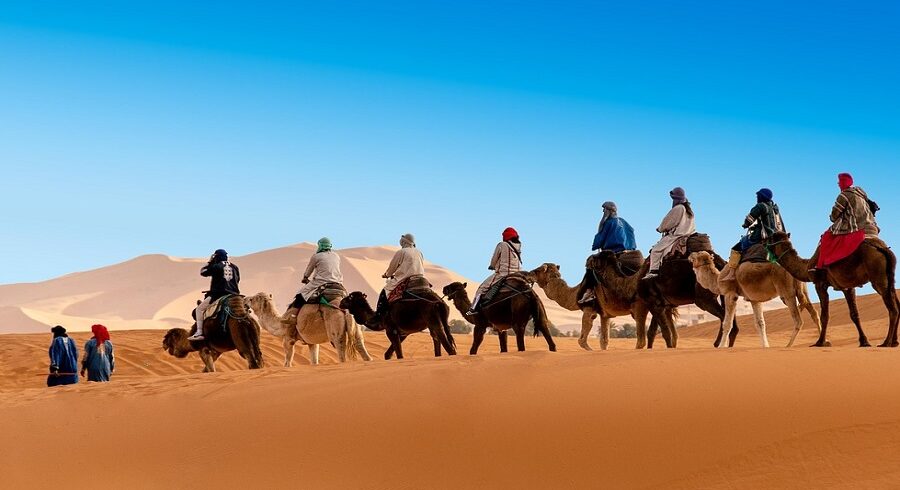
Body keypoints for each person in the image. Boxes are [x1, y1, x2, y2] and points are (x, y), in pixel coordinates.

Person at [811, 173, 880, 271]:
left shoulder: (844, 196)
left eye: (839, 182)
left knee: (826, 237)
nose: (838, 184)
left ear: (843, 183)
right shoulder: (861, 193)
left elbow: (834, 217)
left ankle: (820, 268)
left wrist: (831, 216)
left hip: (857, 226)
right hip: (871, 226)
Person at [281, 237, 343, 324]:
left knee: (300, 295)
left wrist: (305, 277)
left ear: (320, 246)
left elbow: (309, 270)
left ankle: (293, 317)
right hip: (338, 283)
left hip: (321, 282)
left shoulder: (316, 256)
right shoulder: (336, 256)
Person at [372, 233, 426, 323]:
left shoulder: (401, 252)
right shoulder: (419, 252)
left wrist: (387, 275)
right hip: (421, 278)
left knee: (384, 292)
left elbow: (393, 267)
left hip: (405, 278)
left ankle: (379, 317)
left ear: (404, 242)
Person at [469, 227, 522, 315]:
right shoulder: (519, 246)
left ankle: (473, 309)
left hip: (503, 274)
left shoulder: (502, 245)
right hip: (518, 274)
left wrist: (492, 266)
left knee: (481, 289)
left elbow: (495, 258)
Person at [727, 188, 786, 268]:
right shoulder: (775, 208)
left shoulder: (761, 206)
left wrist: (745, 225)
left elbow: (750, 219)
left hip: (761, 236)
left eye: (758, 196)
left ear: (762, 197)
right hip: (776, 237)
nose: (757, 198)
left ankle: (731, 270)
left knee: (737, 246)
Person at [645, 187, 696, 279]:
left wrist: (660, 229)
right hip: (689, 235)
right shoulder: (689, 211)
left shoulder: (678, 208)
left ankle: (654, 271)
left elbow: (667, 223)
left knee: (656, 250)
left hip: (677, 236)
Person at [190, 249, 240, 340]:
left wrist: (210, 261)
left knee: (199, 310)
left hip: (218, 295)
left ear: (216, 257)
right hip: (235, 295)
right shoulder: (235, 267)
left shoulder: (216, 266)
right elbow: (238, 280)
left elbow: (203, 272)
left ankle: (199, 332)